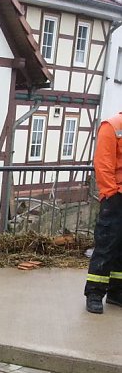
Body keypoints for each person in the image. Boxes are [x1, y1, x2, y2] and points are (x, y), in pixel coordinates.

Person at [84, 113, 122, 314]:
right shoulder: (112, 126)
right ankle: (95, 293)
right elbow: (103, 163)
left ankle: (117, 292)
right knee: (106, 245)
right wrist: (111, 193)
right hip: (116, 198)